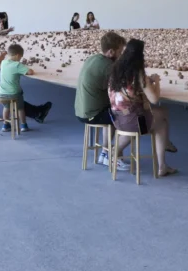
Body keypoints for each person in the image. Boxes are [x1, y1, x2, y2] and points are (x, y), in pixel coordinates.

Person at [108, 38, 178, 177]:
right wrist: (156, 82)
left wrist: (146, 82)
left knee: (163, 111)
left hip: (116, 118)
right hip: (133, 123)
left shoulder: (116, 70)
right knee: (162, 123)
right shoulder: (138, 73)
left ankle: (166, 144)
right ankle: (162, 165)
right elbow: (154, 99)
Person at [75, 31, 129, 169]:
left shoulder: (92, 58)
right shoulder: (108, 67)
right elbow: (123, 91)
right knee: (127, 117)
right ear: (111, 52)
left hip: (82, 111)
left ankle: (105, 153)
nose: (121, 55)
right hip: (93, 114)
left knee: (111, 115)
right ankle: (112, 156)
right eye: (120, 52)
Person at [0, 44, 35, 133]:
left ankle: (5, 125)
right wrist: (31, 69)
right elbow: (30, 72)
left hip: (2, 93)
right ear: (18, 55)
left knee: (6, 107)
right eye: (20, 57)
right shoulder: (17, 65)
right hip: (14, 94)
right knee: (20, 108)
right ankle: (23, 125)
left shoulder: (3, 63)